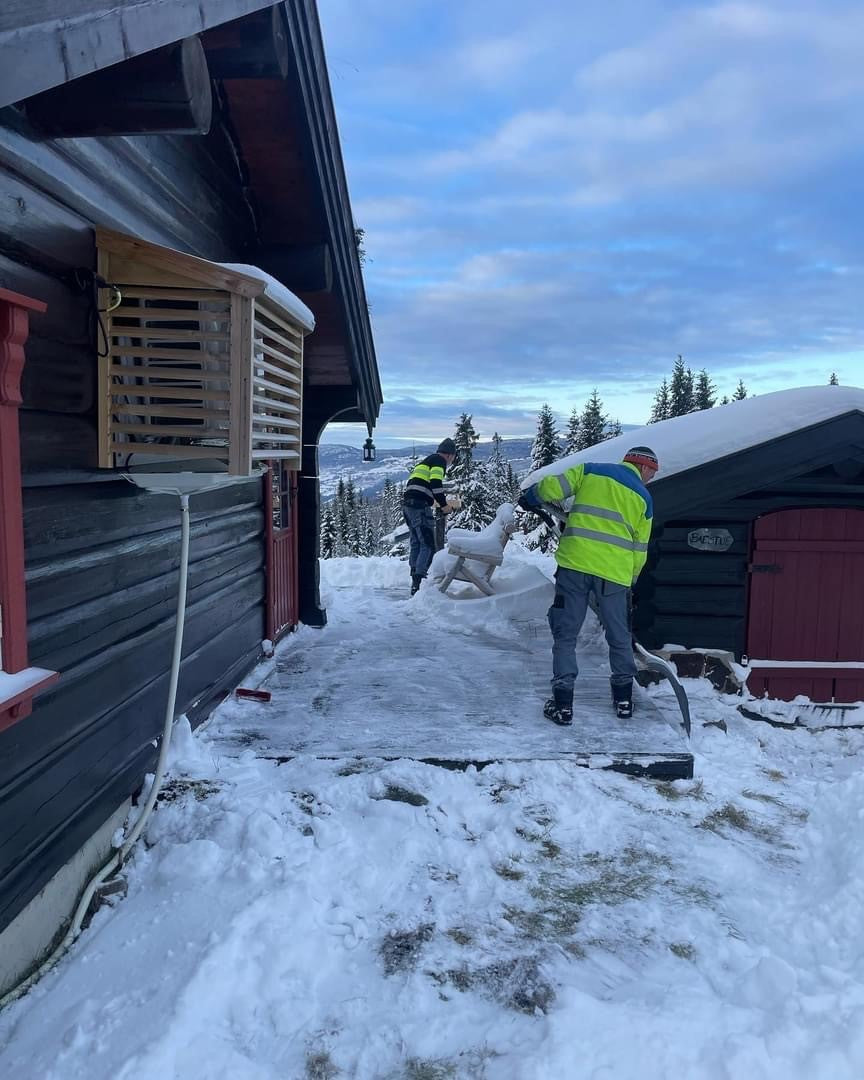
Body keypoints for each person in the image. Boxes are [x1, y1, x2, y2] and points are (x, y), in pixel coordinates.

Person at [518, 446, 659, 724]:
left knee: (566, 632)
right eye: (652, 473)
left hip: (576, 566)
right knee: (619, 635)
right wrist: (631, 580)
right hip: (615, 575)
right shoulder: (644, 499)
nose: (650, 479)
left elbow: (551, 488)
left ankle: (563, 704)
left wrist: (530, 496)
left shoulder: (591, 470)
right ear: (642, 467)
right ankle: (623, 701)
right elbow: (640, 548)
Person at [403, 438, 456, 594]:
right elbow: (435, 484)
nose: (451, 461)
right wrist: (444, 505)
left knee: (416, 543)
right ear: (450, 455)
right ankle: (420, 584)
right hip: (420, 507)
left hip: (408, 506)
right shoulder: (439, 461)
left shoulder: (424, 462)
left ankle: (414, 578)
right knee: (428, 544)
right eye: (453, 457)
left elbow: (420, 485)